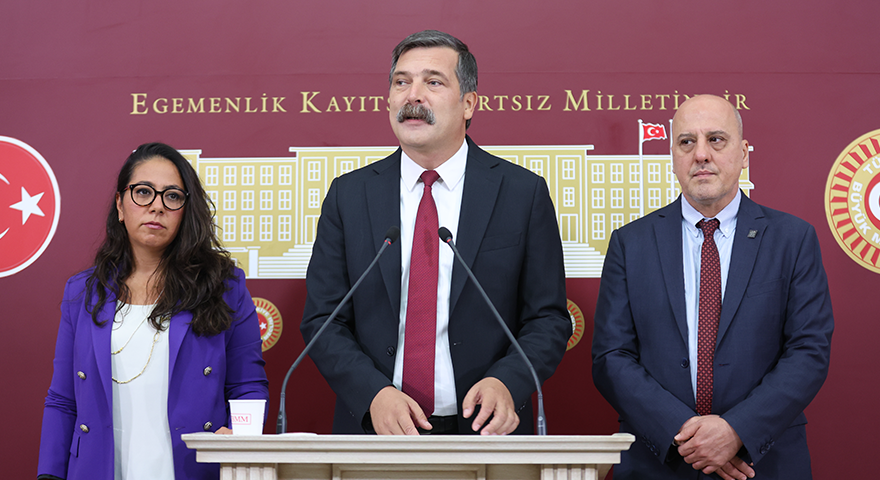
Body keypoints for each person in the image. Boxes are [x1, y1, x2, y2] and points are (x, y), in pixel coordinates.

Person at [301, 30, 570, 436]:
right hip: (376, 431)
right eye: (401, 82)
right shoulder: (350, 196)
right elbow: (324, 319)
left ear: (469, 103)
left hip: (487, 432)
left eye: (433, 82)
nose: (413, 95)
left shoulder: (520, 193)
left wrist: (507, 383)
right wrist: (373, 394)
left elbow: (547, 318)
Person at [592, 95, 834, 479]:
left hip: (762, 462)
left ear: (744, 153)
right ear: (673, 156)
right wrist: (688, 436)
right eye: (686, 142)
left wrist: (736, 430)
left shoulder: (792, 239)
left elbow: (808, 350)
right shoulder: (630, 243)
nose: (701, 154)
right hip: (660, 462)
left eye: (716, 140)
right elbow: (611, 356)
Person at [38, 143, 269, 480]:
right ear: (120, 205)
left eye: (172, 196)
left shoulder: (223, 286)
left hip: (196, 470)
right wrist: (49, 475)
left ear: (185, 211)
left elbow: (248, 386)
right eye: (143, 192)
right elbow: (63, 399)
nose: (157, 206)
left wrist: (240, 442)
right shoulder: (82, 292)